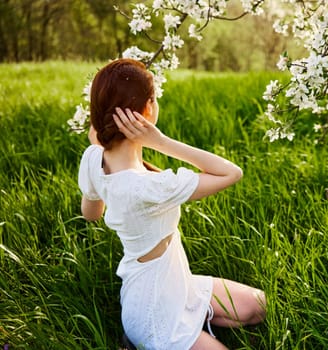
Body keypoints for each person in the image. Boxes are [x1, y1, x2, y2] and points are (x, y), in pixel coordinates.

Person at [78, 58, 266, 349]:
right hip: (154, 316)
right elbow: (232, 172)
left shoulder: (93, 157)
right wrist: (161, 142)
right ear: (147, 110)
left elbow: (91, 214)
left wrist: (101, 157)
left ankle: (197, 323)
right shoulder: (154, 187)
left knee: (257, 305)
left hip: (179, 285)